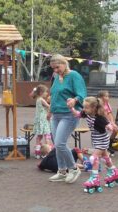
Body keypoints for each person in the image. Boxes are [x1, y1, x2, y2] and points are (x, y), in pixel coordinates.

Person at [47, 54, 87, 184]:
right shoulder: (56, 76)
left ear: (64, 63)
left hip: (69, 114)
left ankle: (73, 168)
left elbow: (82, 93)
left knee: (60, 143)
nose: (55, 70)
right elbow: (54, 95)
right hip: (56, 114)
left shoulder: (74, 75)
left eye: (57, 67)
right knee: (57, 145)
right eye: (53, 68)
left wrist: (74, 100)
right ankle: (62, 171)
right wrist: (50, 110)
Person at [70, 97, 118, 193]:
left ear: (94, 108)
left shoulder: (99, 118)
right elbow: (77, 114)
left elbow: (107, 124)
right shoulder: (87, 112)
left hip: (102, 140)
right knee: (105, 157)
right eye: (84, 107)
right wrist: (72, 108)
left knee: (93, 158)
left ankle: (95, 179)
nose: (84, 109)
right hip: (96, 138)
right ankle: (114, 172)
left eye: (86, 107)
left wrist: (111, 127)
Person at [31, 84, 53, 159]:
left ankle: (37, 152)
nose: (47, 93)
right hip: (44, 120)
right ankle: (48, 152)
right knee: (47, 136)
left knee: (39, 137)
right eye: (46, 92)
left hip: (39, 120)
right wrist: (53, 103)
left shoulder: (37, 99)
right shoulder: (41, 100)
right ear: (41, 93)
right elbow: (49, 107)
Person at [97, 90, 118, 156]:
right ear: (100, 97)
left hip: (108, 122)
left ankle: (109, 144)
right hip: (101, 122)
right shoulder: (98, 105)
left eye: (108, 96)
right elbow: (103, 115)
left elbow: (110, 114)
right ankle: (105, 148)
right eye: (106, 96)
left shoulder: (107, 104)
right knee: (108, 131)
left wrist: (112, 122)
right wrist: (108, 123)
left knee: (116, 129)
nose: (108, 98)